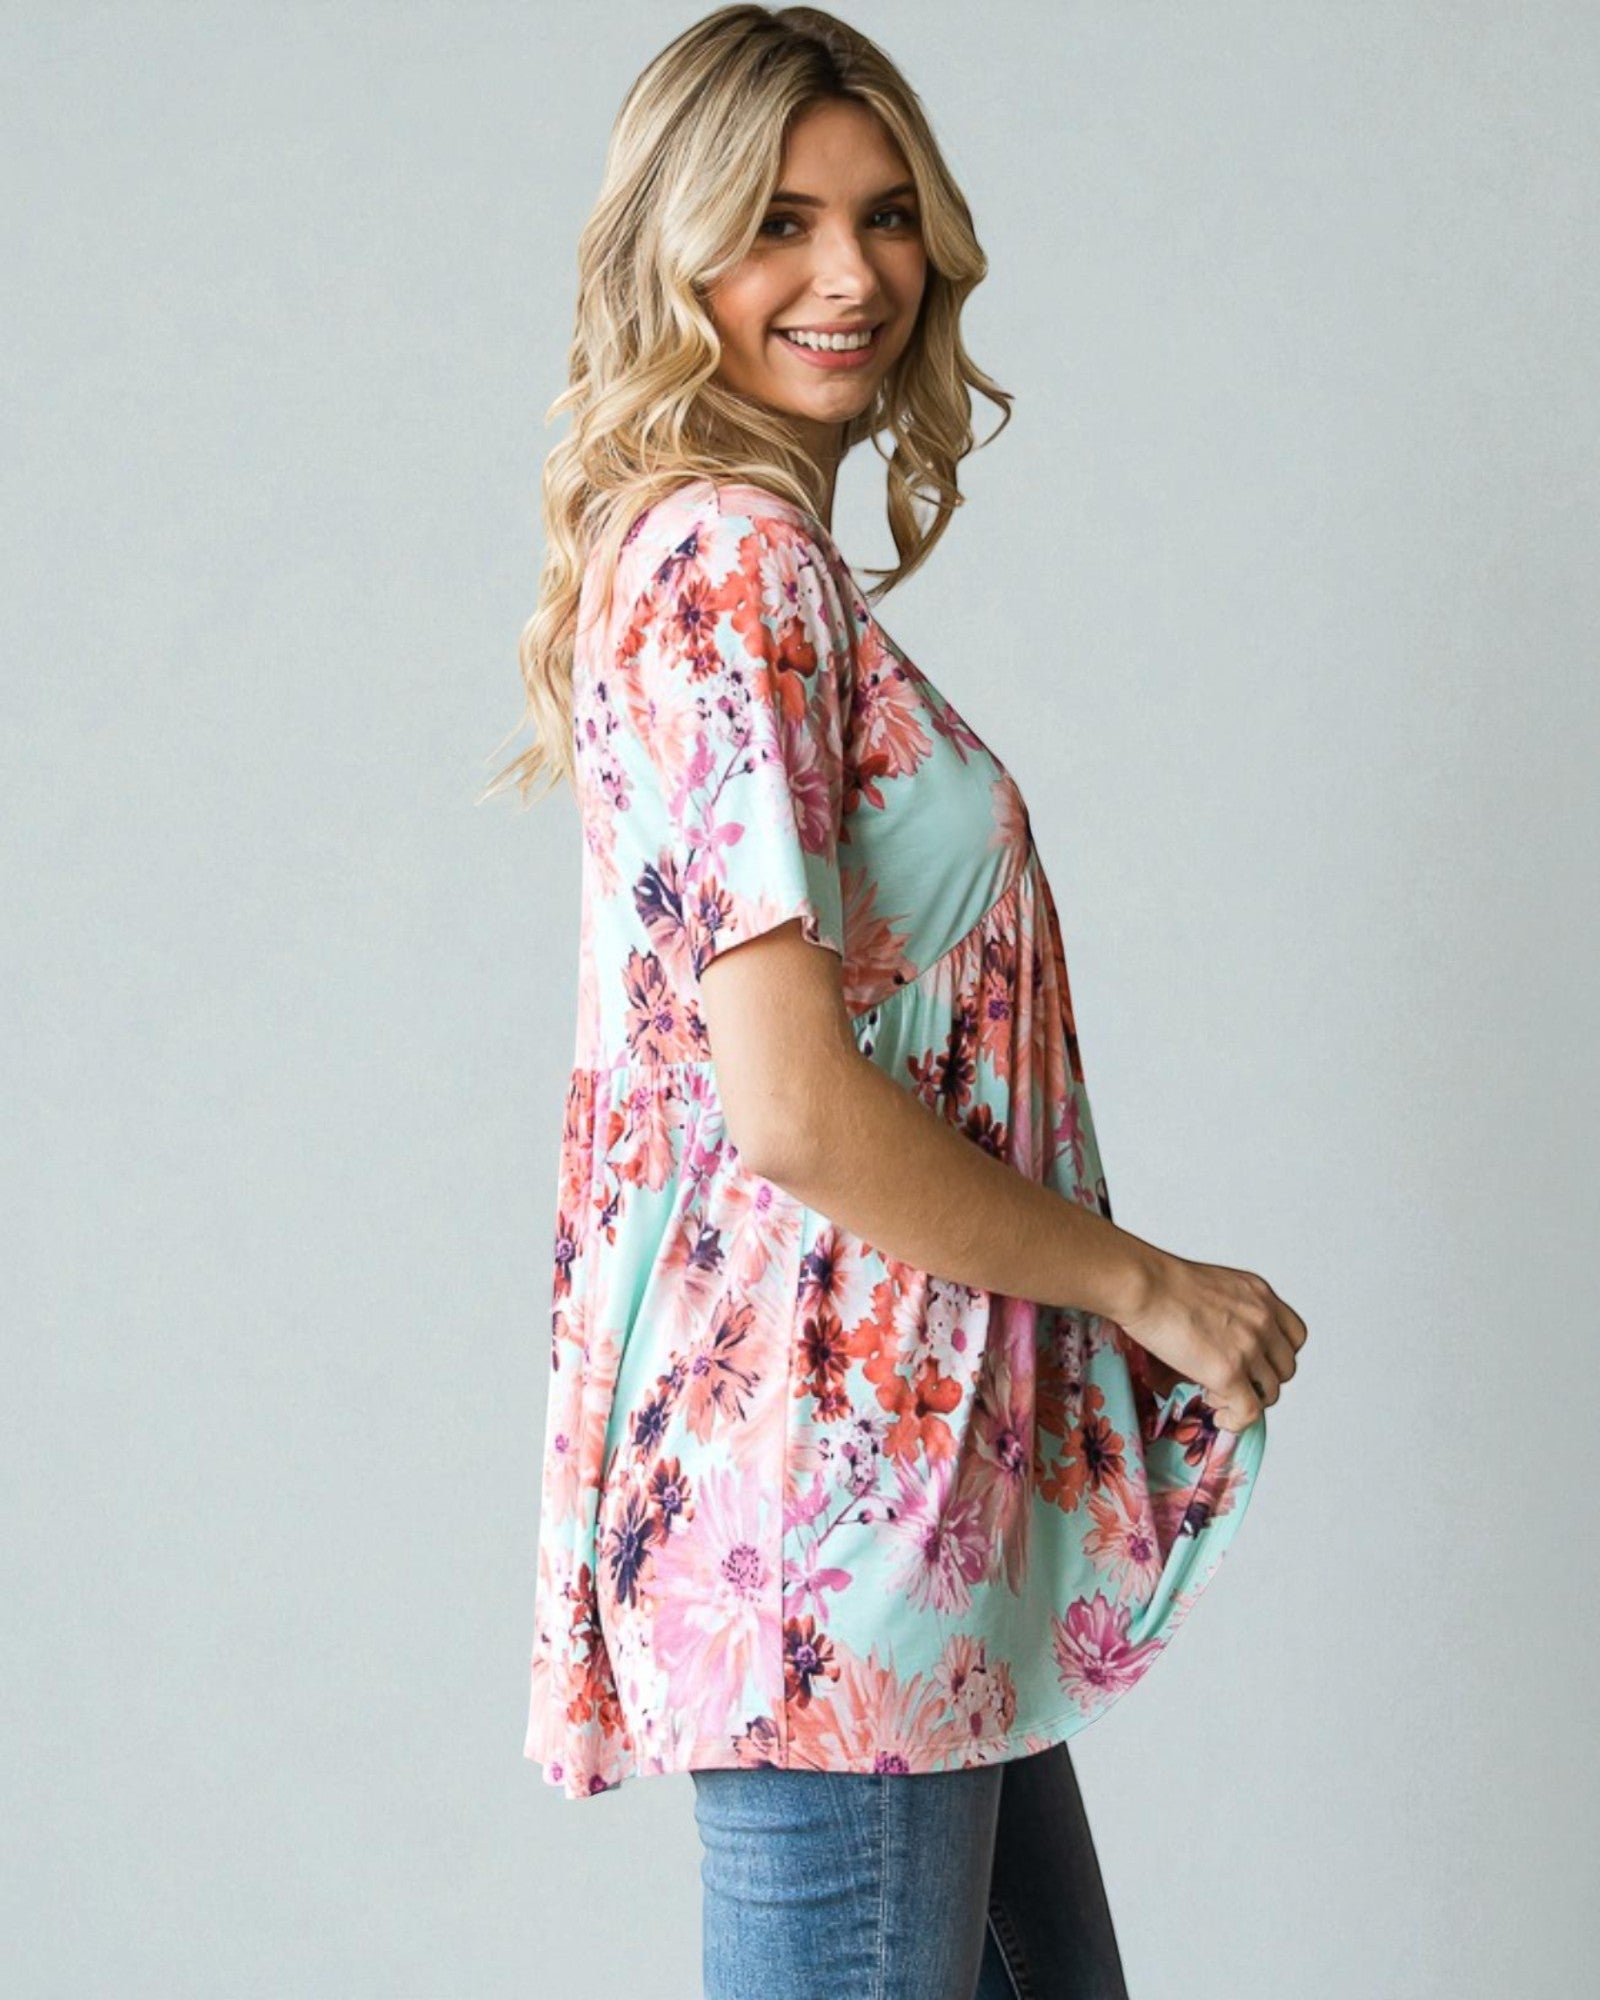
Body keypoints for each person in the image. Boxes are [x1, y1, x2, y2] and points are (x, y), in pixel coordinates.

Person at [486, 8, 1308, 1995]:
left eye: (880, 215)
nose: (847, 273)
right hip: (825, 1535)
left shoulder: (725, 567)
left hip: (904, 1520)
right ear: (671, 257)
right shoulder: (727, 570)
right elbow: (786, 1105)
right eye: (774, 222)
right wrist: (1136, 1281)